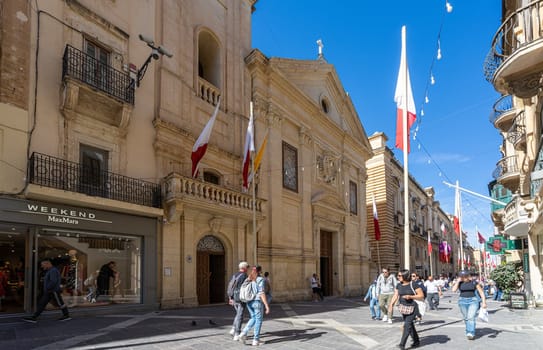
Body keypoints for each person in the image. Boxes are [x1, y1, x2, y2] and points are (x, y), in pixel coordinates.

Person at [388, 269, 424, 350]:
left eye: (400, 275)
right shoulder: (399, 285)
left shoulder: (413, 284)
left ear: (405, 276)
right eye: (398, 275)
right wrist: (391, 305)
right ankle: (416, 341)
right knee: (410, 325)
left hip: (413, 308)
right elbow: (395, 295)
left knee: (407, 326)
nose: (398, 277)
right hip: (403, 308)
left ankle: (402, 344)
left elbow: (421, 295)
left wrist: (410, 296)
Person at [238, 265, 270, 346]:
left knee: (253, 318)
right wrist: (266, 305)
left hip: (249, 302)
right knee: (258, 320)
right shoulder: (260, 279)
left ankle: (243, 333)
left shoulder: (249, 278)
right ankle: (256, 340)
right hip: (257, 302)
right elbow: (261, 293)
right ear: (259, 271)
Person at [451, 270, 487, 340]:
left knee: (471, 317)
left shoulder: (474, 282)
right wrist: (457, 281)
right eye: (461, 276)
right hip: (462, 301)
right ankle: (469, 330)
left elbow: (481, 293)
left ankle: (470, 333)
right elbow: (453, 290)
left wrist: (484, 302)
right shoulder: (460, 283)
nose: (462, 277)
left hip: (473, 301)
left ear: (468, 276)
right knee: (466, 318)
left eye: (464, 276)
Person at [228, 261, 249, 340]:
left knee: (238, 314)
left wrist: (230, 297)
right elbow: (245, 287)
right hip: (240, 298)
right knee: (240, 315)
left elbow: (230, 286)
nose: (248, 269)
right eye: (247, 267)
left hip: (233, 297)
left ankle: (233, 329)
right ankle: (237, 333)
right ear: (244, 268)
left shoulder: (235, 275)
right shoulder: (244, 275)